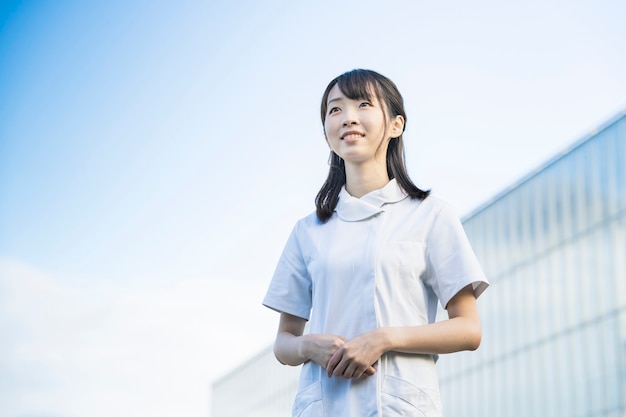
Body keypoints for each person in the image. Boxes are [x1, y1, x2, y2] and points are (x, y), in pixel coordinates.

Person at [262, 69, 488, 417]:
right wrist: (309, 346)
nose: (348, 117)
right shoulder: (307, 231)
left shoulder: (431, 216)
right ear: (326, 134)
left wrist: (383, 338)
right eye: (335, 110)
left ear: (396, 125)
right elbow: (284, 342)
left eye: (363, 104)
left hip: (401, 406)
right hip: (323, 405)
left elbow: (468, 329)